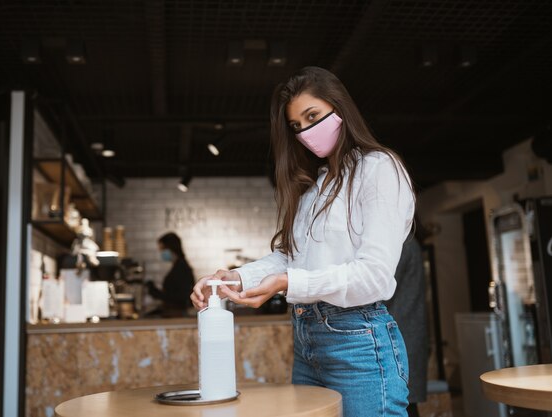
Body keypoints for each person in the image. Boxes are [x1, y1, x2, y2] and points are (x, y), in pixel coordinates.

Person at [191, 66, 415, 416]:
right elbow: (290, 258)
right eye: (297, 126)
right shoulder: (317, 185)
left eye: (313, 116)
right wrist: (234, 278)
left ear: (339, 107)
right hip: (307, 339)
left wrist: (288, 282)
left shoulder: (378, 168)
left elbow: (373, 275)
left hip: (357, 343)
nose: (306, 132)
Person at [385, 234, 428, 417]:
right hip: (406, 335)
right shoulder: (408, 242)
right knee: (406, 404)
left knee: (401, 404)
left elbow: (380, 291)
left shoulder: (400, 243)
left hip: (400, 339)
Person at [146, 232, 195, 317]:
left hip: (178, 315)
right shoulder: (178, 266)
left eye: (162, 249)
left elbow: (180, 297)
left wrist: (155, 292)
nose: (161, 253)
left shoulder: (181, 268)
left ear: (170, 248)